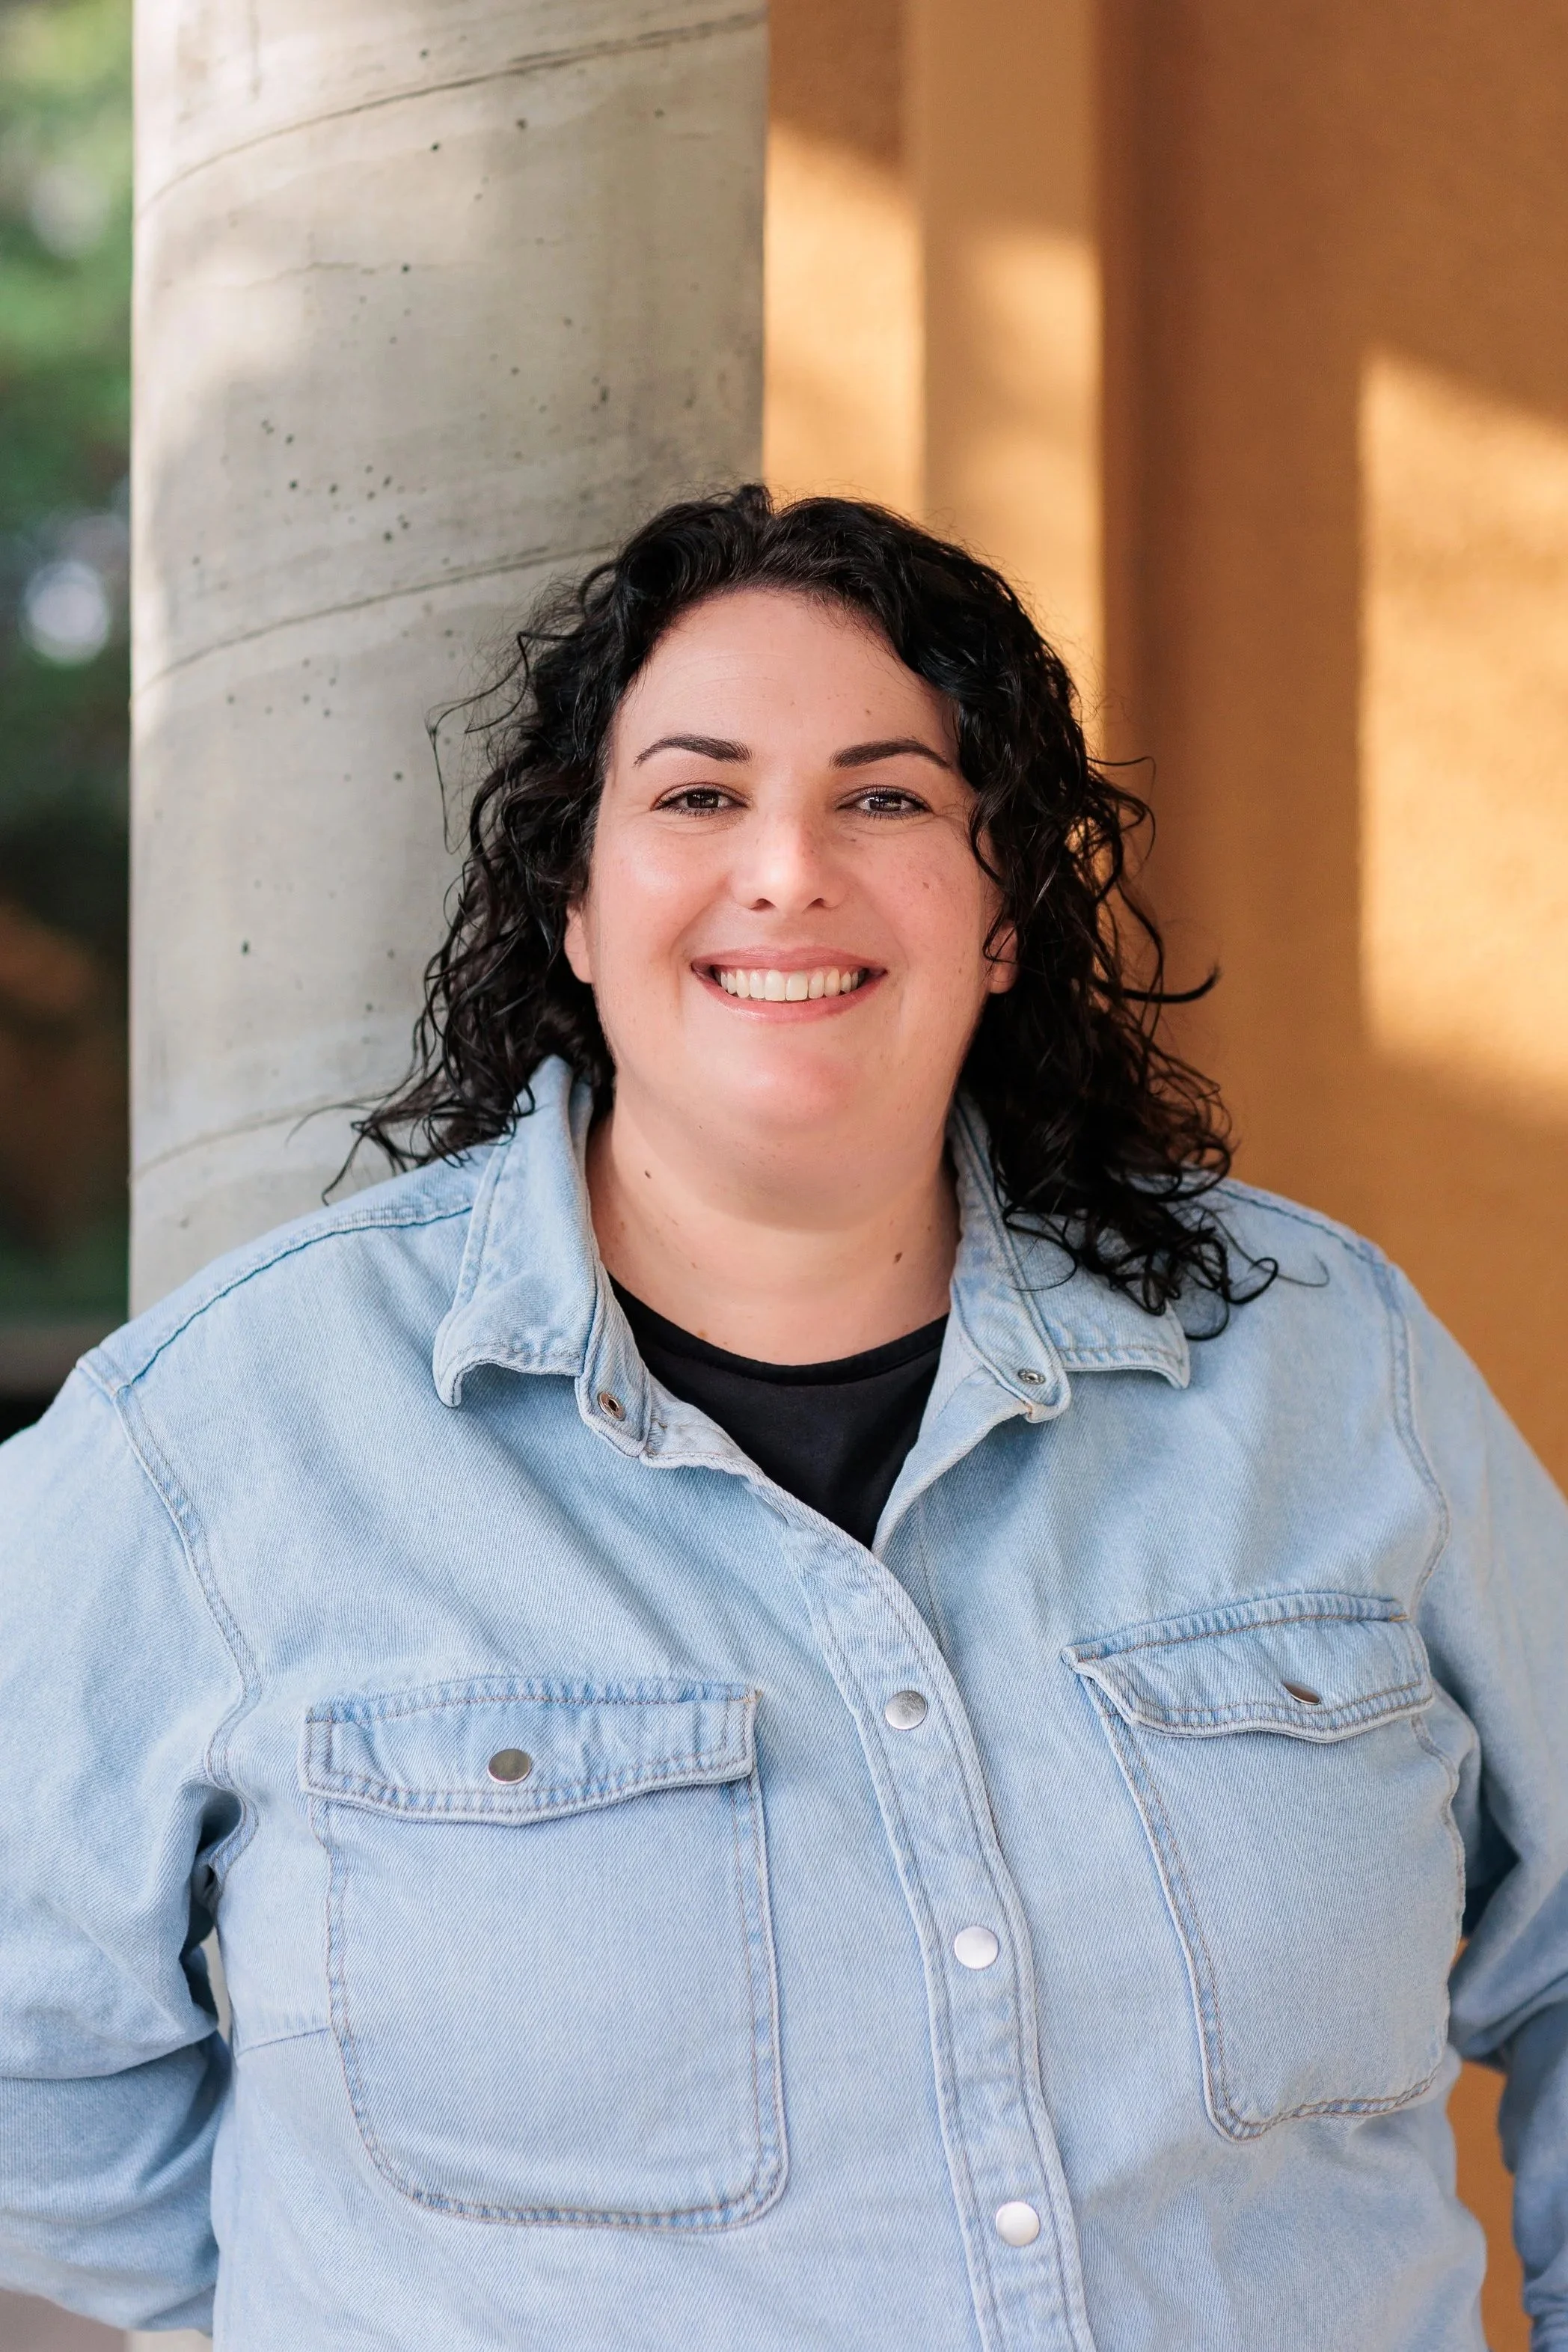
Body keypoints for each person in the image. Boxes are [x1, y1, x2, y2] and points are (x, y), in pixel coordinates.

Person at [0, 486, 1564, 2352]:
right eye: (695, 794)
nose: (787, 869)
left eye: (886, 797)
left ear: (1000, 915)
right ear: (573, 906)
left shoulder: (1323, 1365)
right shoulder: (229, 1438)